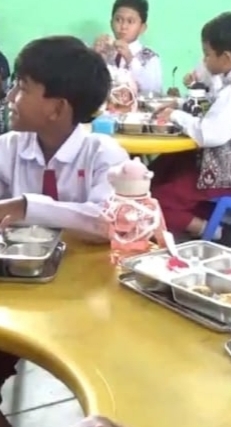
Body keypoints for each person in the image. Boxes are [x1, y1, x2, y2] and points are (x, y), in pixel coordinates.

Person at [0, 35, 129, 427]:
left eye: (23, 88)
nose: (10, 97)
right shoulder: (9, 147)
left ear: (57, 108)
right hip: (18, 295)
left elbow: (110, 220)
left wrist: (27, 206)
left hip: (90, 299)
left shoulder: (103, 154)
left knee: (116, 392)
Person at [151, 12, 231, 240]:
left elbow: (208, 134)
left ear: (226, 57)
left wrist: (176, 115)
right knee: (166, 165)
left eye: (207, 54)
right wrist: (180, 104)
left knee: (155, 198)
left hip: (227, 175)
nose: (204, 61)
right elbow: (215, 107)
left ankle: (214, 231)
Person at [93, 0, 162, 94]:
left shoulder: (150, 57)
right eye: (118, 20)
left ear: (142, 28)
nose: (123, 26)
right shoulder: (105, 51)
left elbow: (153, 91)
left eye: (130, 21)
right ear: (111, 23)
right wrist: (95, 58)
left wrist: (130, 60)